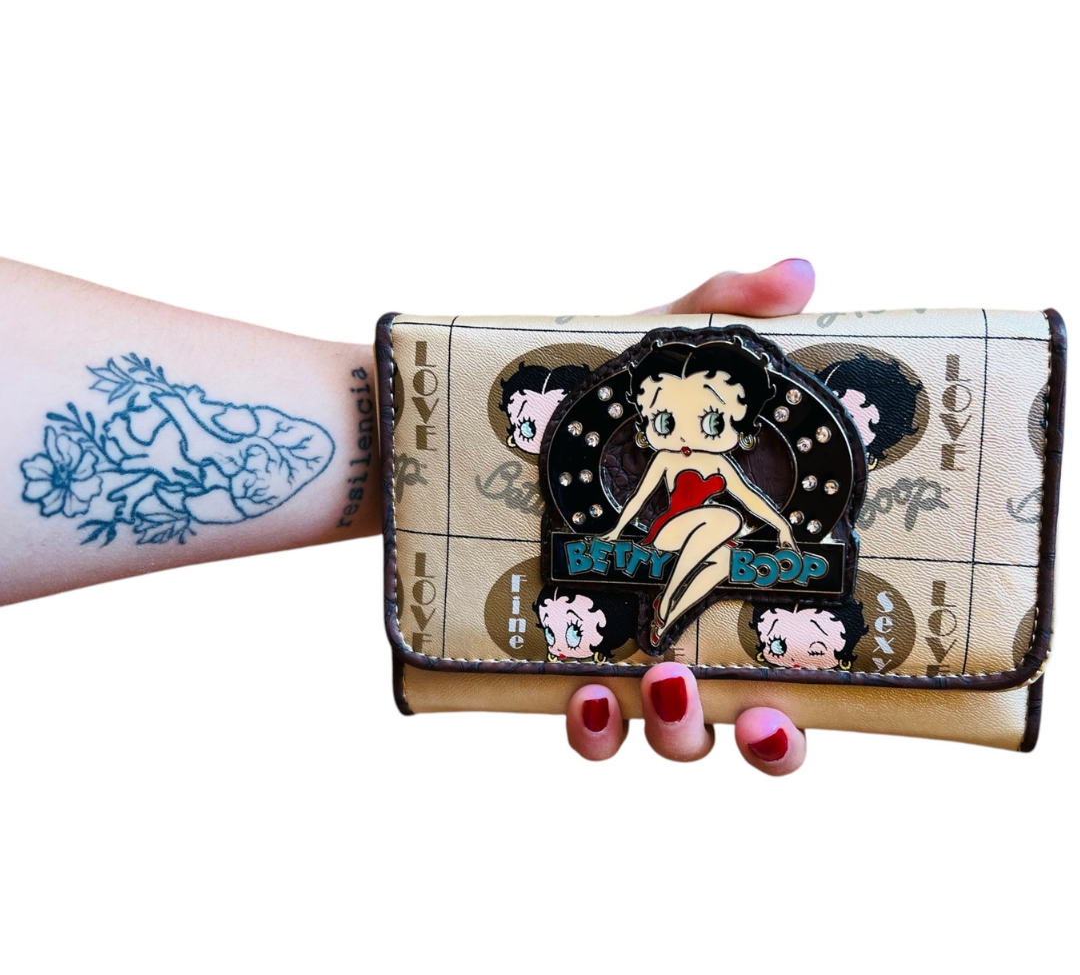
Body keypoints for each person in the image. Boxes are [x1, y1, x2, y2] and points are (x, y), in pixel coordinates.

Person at [0, 255, 815, 775]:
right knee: (703, 540)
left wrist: (573, 376)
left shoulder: (708, 466)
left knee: (713, 533)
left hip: (692, 536)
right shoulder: (673, 463)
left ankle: (672, 603)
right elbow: (641, 500)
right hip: (668, 538)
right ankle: (674, 604)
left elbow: (742, 497)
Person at [601, 335, 796, 647]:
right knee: (729, 518)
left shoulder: (721, 463)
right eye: (665, 422)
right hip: (669, 531)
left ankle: (665, 619)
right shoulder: (666, 458)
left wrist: (782, 526)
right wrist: (616, 531)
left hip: (706, 535)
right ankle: (668, 597)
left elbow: (750, 497)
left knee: (725, 561)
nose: (684, 435)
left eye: (712, 422)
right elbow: (640, 497)